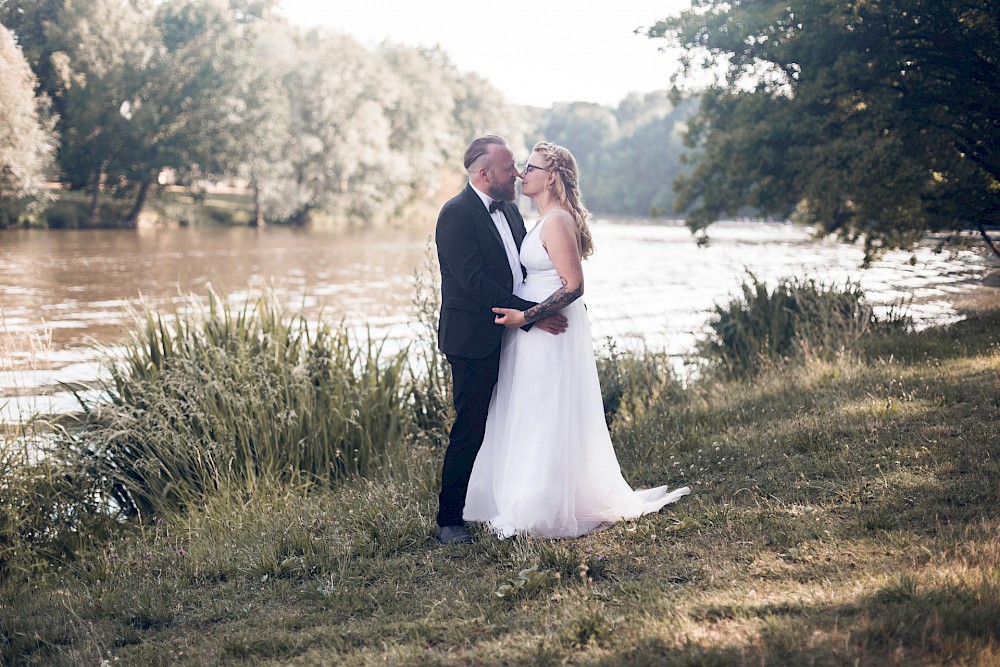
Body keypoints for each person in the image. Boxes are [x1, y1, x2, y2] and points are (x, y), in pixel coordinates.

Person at [463, 141, 690, 539]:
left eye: (529, 168)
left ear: (551, 176)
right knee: (530, 410)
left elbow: (574, 286)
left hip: (549, 331)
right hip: (532, 332)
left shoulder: (557, 221)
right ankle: (526, 497)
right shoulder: (542, 218)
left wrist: (527, 316)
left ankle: (538, 508)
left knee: (543, 410)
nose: (521, 174)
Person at [434, 135, 568, 544]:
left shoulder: (509, 209)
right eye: (509, 168)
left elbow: (525, 268)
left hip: (511, 332)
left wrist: (535, 310)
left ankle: (502, 502)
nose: (517, 173)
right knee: (470, 427)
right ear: (484, 173)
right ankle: (449, 519)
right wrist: (532, 317)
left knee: (511, 421)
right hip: (473, 337)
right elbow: (474, 283)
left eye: (517, 166)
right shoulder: (455, 214)